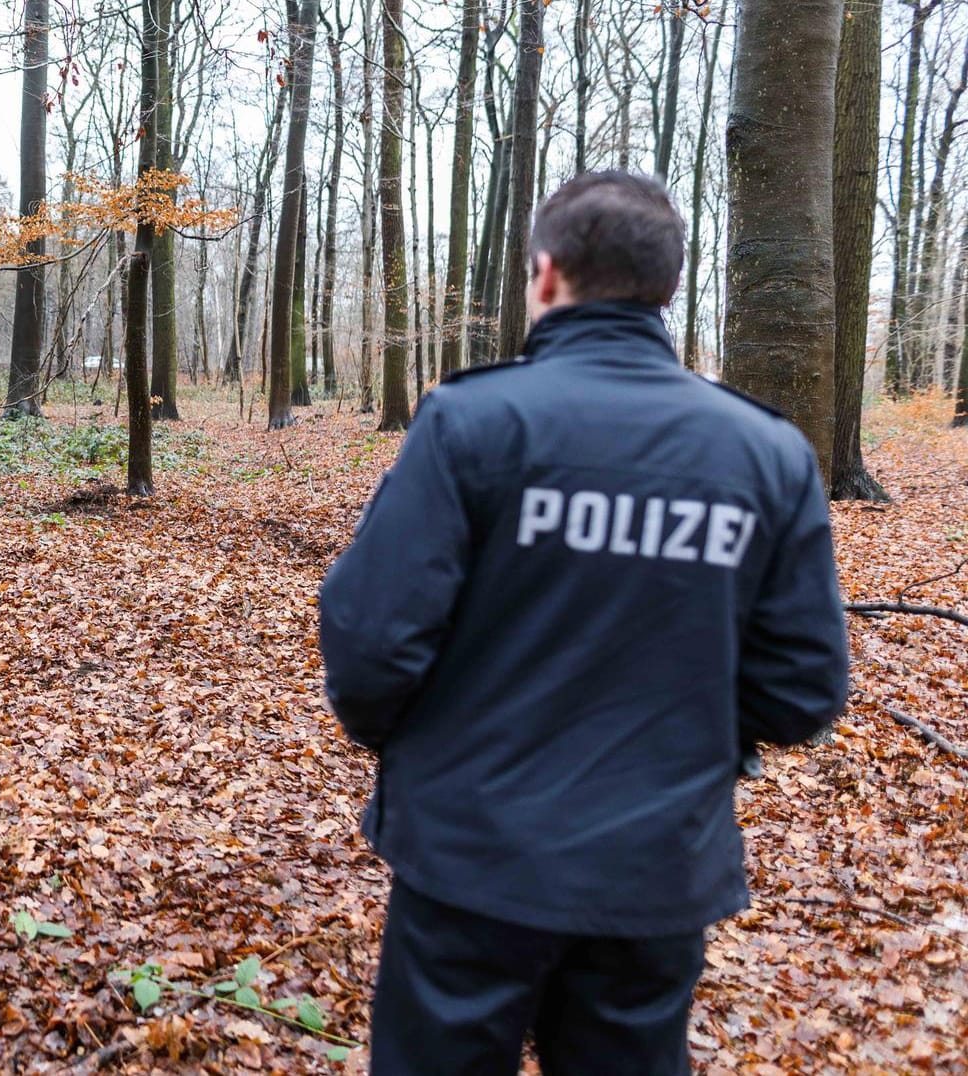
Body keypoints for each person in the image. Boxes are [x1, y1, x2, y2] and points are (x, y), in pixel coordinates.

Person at [316, 171, 850, 1075]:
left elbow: (371, 643)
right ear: (666, 286)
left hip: (470, 855)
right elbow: (802, 688)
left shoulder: (471, 422)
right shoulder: (765, 454)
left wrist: (426, 752)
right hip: (653, 869)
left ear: (547, 274)